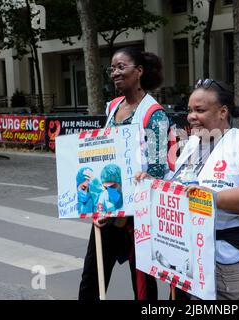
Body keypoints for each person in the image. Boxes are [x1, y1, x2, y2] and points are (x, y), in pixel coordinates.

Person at [136, 79, 239, 300]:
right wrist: (153, 185)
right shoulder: (190, 144)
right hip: (188, 261)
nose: (191, 116)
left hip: (231, 265)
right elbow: (179, 188)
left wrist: (212, 199)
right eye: (190, 110)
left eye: (199, 110)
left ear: (223, 111)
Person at [78, 47, 170, 300]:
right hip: (106, 210)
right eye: (112, 68)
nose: (115, 73)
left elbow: (157, 171)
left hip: (137, 216)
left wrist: (124, 208)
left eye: (121, 67)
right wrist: (100, 202)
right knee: (91, 281)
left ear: (139, 71)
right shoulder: (113, 107)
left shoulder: (155, 115)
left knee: (142, 286)